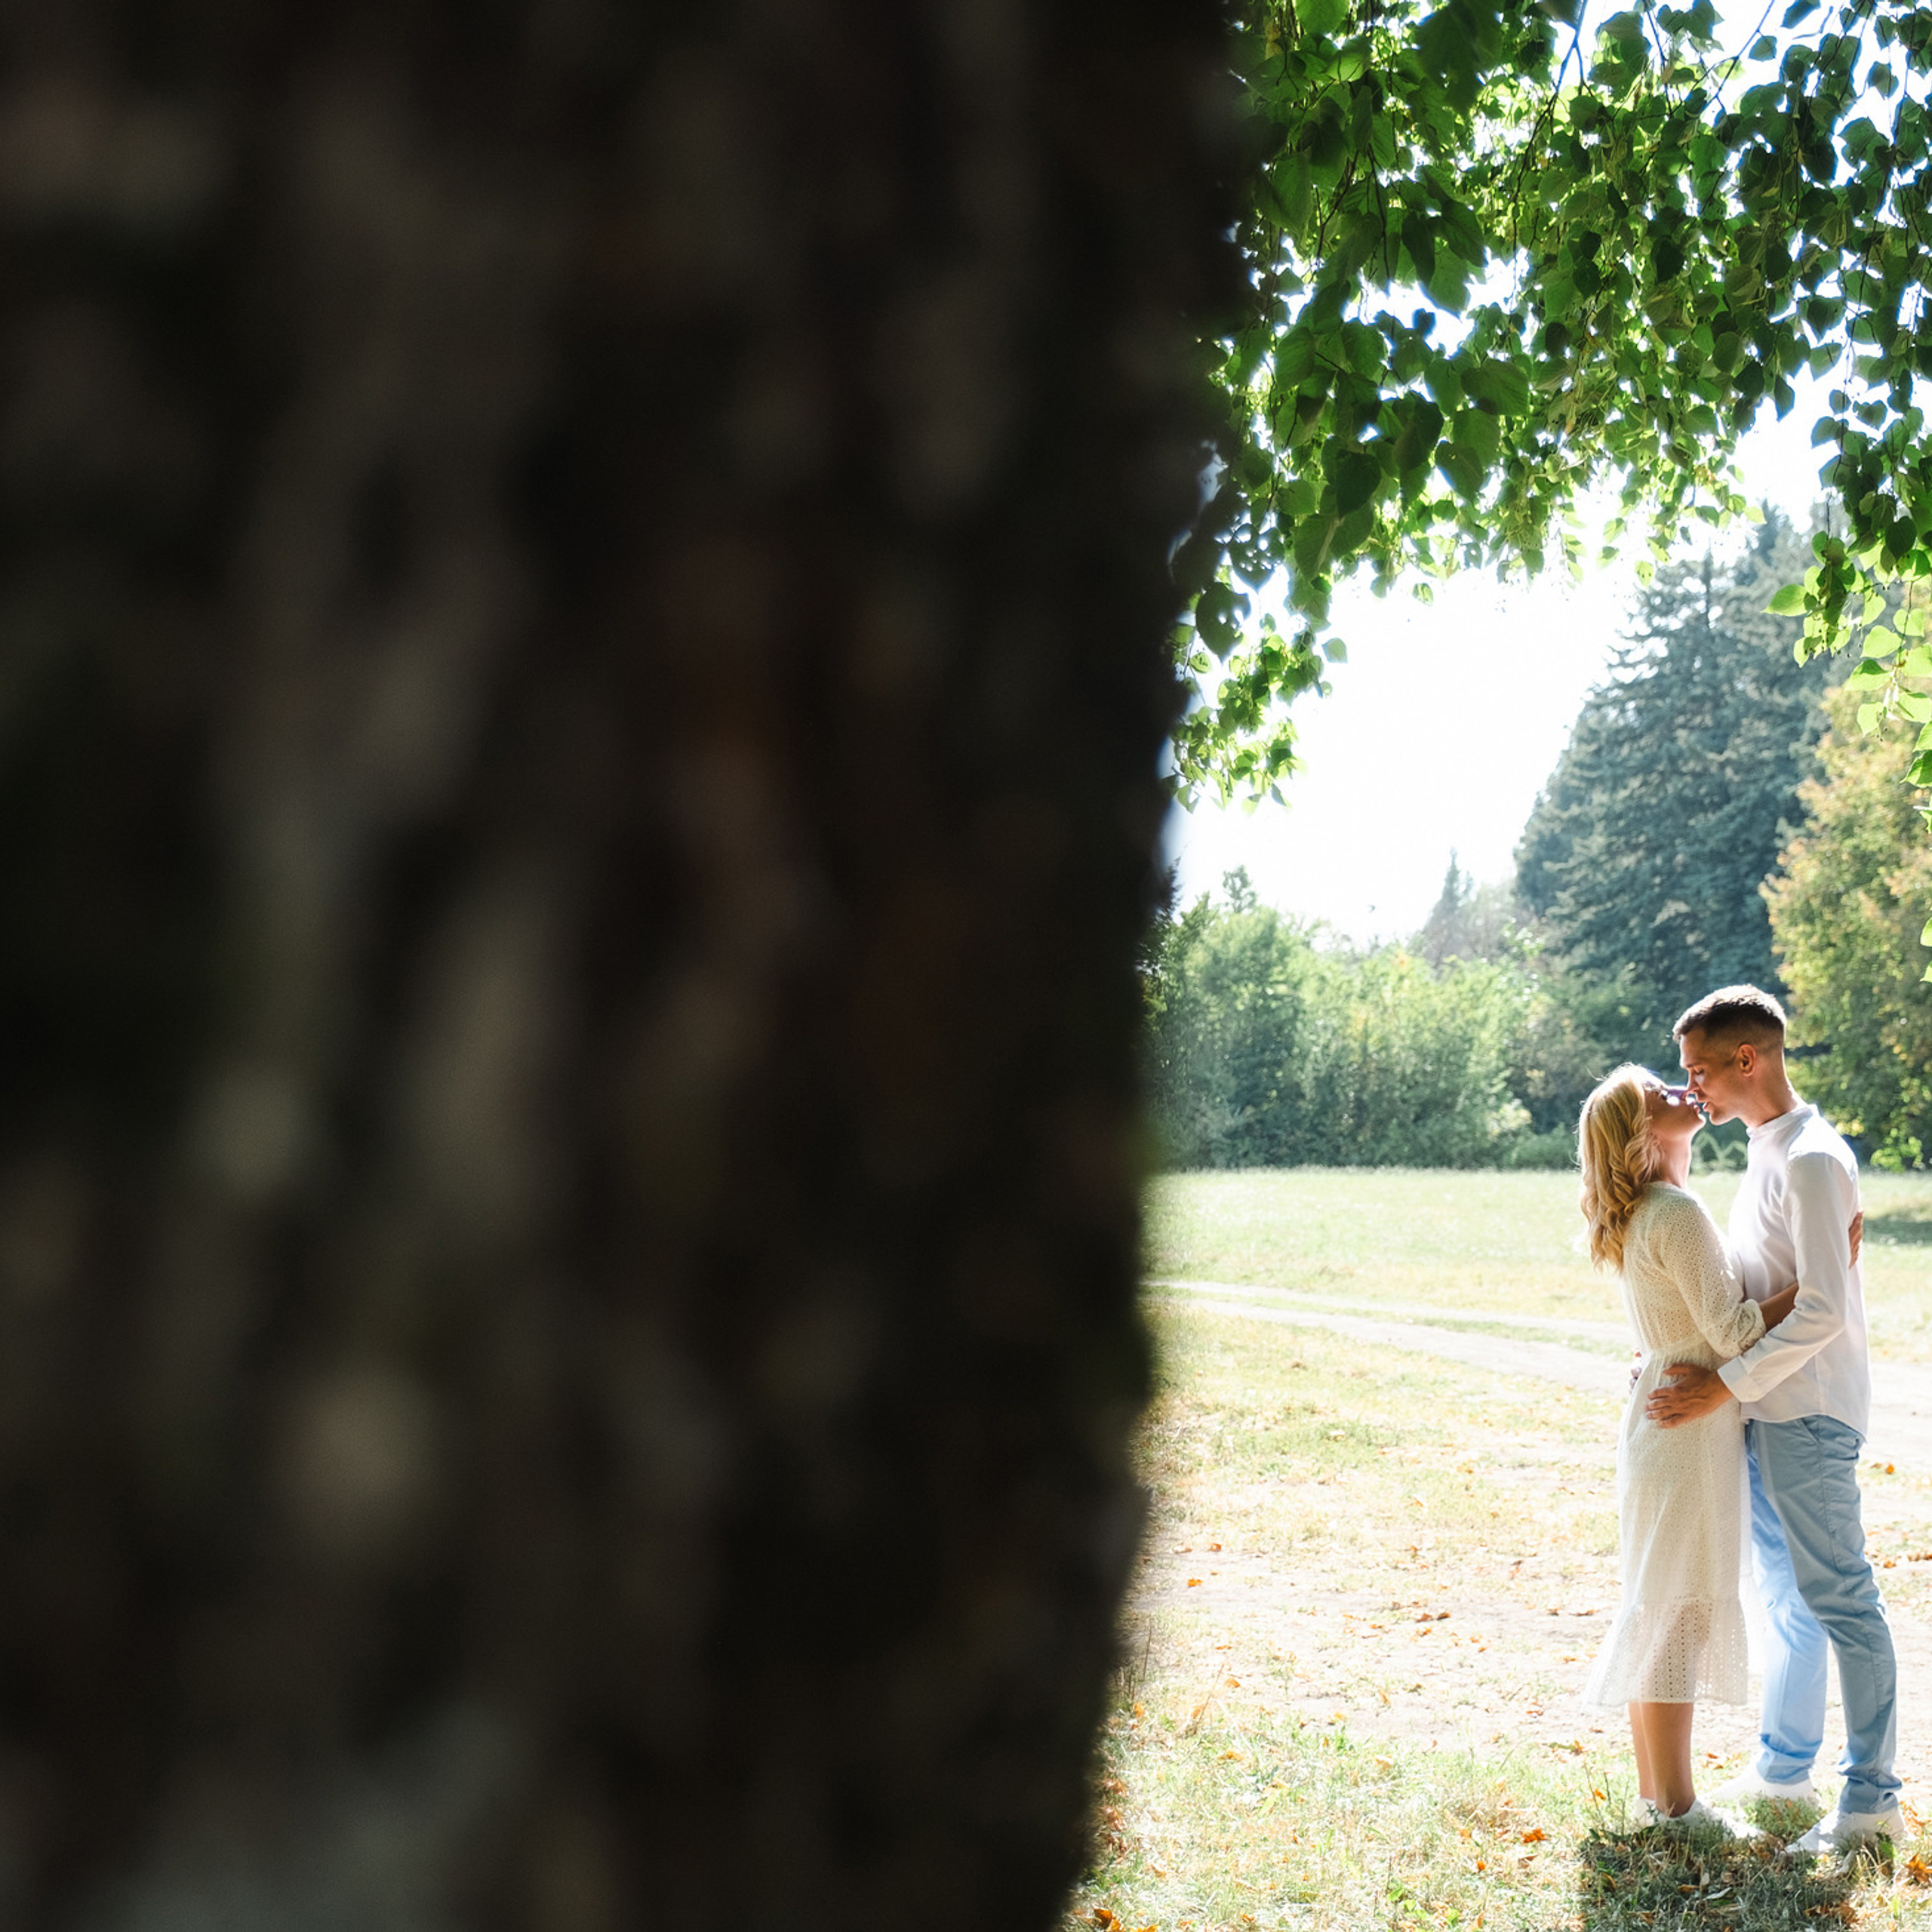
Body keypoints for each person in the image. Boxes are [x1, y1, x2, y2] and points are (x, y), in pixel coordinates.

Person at [1646, 985, 1901, 1856]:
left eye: (1698, 1071)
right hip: (1766, 1408)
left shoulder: (1812, 1159)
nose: (1692, 1091)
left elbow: (1826, 1308)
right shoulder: (1768, 1151)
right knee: (1789, 1602)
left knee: (1841, 1600)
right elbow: (1759, 1294)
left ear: (1745, 1059)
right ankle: (1783, 1767)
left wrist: (1725, 1385)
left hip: (1811, 1411)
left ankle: (1870, 1800)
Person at [1577, 1065, 1800, 1827]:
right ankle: (1676, 1803)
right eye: (1659, 1095)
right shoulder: (1673, 1212)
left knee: (1658, 1606)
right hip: (1687, 1435)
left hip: (1659, 1424)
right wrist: (1818, 1280)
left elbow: (1683, 1322)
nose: (1681, 1090)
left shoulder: (1647, 1213)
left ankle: (1655, 1797)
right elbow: (1736, 1331)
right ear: (1643, 1135)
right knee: (1675, 1615)